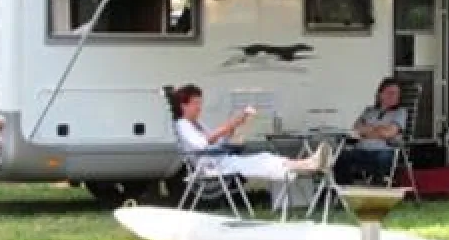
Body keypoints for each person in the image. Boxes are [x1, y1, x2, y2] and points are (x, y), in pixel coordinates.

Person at [170, 84, 330, 180]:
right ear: (183, 106)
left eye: (200, 103)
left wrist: (232, 132)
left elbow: (216, 141)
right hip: (210, 167)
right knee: (262, 160)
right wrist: (234, 122)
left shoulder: (198, 123)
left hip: (221, 160)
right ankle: (309, 164)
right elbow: (204, 143)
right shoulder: (182, 125)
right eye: (195, 103)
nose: (199, 107)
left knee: (263, 157)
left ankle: (308, 164)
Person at [334, 77, 407, 186]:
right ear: (380, 94)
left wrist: (368, 129)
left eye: (397, 94)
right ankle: (345, 191)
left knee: (381, 159)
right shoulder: (369, 111)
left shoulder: (400, 112)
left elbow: (389, 133)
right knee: (340, 156)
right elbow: (356, 130)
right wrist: (380, 129)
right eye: (390, 93)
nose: (394, 96)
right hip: (362, 150)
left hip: (385, 151)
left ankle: (377, 190)